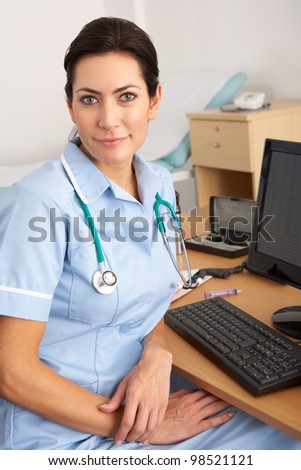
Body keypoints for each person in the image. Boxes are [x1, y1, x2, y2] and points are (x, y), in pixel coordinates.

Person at [0, 17, 300, 451]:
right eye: (89, 99)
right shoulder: (39, 203)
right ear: (70, 106)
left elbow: (153, 295)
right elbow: (11, 371)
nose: (108, 120)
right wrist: (143, 427)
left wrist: (157, 353)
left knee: (279, 429)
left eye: (126, 97)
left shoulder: (159, 185)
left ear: (154, 100)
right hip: (64, 433)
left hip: (143, 398)